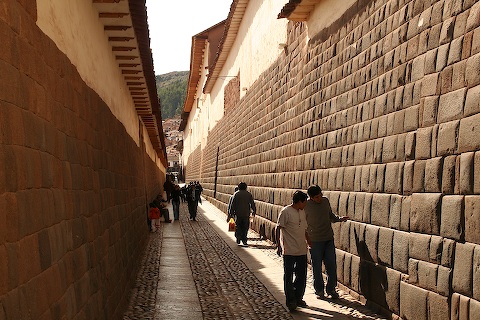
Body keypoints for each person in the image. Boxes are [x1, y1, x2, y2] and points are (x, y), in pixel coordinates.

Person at [305, 185, 349, 299]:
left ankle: (331, 289)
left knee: (331, 265)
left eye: (320, 195)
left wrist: (339, 219)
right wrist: (307, 239)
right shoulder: (306, 205)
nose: (319, 198)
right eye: (316, 197)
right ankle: (319, 290)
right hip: (315, 240)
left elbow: (330, 215)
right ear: (311, 198)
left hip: (328, 238)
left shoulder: (325, 201)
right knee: (317, 267)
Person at [276, 190, 309, 312]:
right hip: (289, 250)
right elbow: (278, 227)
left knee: (301, 276)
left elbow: (304, 229)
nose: (306, 204)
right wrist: (278, 245)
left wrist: (309, 242)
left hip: (301, 249)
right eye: (305, 201)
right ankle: (291, 300)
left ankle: (298, 297)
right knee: (288, 276)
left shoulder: (302, 212)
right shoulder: (286, 212)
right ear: (299, 201)